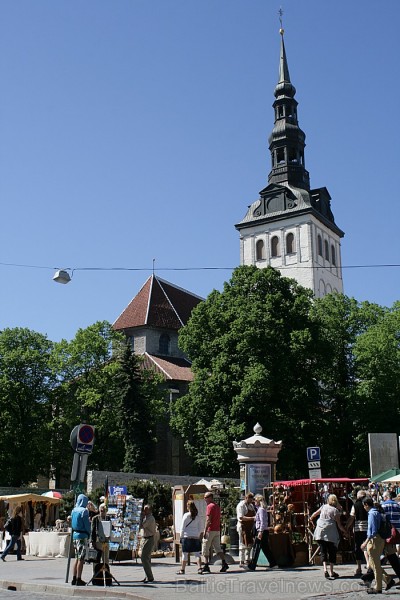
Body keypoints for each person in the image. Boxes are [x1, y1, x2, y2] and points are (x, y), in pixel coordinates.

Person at [360, 496, 394, 594]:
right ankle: (388, 580)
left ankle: (378, 587)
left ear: (366, 505)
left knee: (375, 564)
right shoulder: (377, 512)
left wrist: (365, 542)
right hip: (380, 540)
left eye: (364, 506)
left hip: (374, 540)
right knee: (373, 564)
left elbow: (372, 531)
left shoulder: (372, 513)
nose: (364, 507)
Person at [310, 494, 347, 579]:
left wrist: (311, 518)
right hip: (331, 534)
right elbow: (339, 525)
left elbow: (315, 514)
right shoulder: (335, 511)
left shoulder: (323, 507)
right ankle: (331, 571)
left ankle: (324, 569)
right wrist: (345, 532)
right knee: (332, 551)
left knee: (323, 550)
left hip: (320, 532)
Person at [200, 491, 229, 574]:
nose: (204, 499)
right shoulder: (217, 506)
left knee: (205, 547)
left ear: (210, 498)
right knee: (218, 548)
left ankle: (206, 565)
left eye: (206, 497)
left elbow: (208, 520)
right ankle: (224, 563)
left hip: (210, 529)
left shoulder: (209, 506)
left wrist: (205, 531)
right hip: (217, 530)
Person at [248, 494, 277, 570]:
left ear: (258, 501)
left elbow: (263, 521)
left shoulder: (261, 510)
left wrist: (260, 531)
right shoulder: (261, 510)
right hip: (264, 531)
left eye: (255, 500)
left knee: (256, 548)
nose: (254, 502)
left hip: (261, 531)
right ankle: (273, 563)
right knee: (265, 548)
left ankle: (252, 565)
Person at [346, 489, 370, 576]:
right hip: (368, 528)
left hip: (358, 529)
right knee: (367, 547)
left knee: (358, 547)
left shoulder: (355, 505)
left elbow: (352, 517)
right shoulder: (369, 504)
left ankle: (359, 568)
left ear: (358, 496)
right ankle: (368, 564)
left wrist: (347, 527)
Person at [177, 500, 203, 575]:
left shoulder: (186, 515)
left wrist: (181, 537)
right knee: (197, 554)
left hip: (186, 536)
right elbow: (200, 528)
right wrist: (197, 535)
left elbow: (182, 527)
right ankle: (199, 568)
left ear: (188, 507)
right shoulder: (198, 516)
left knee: (185, 554)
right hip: (195, 537)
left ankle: (182, 570)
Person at [71, 493, 91, 586]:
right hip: (82, 535)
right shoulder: (84, 511)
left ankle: (74, 578)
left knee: (76, 557)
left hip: (75, 535)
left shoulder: (74, 510)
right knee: (81, 558)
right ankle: (79, 578)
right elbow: (87, 525)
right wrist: (89, 533)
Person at [236, 492, 256, 567]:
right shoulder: (241, 505)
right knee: (242, 544)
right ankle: (241, 560)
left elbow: (254, 513)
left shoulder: (251, 505)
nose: (251, 500)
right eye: (250, 499)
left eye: (252, 499)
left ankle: (247, 559)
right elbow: (241, 517)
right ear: (246, 498)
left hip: (250, 527)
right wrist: (252, 518)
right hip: (242, 526)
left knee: (249, 543)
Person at [140, 504, 156, 583]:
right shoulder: (146, 517)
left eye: (145, 509)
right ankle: (147, 575)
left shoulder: (150, 518)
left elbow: (142, 525)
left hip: (149, 538)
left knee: (144, 557)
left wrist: (141, 518)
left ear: (149, 510)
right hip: (144, 538)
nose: (144, 511)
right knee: (147, 558)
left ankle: (150, 577)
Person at [91, 503, 109, 568]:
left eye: (104, 510)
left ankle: (107, 574)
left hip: (105, 541)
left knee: (106, 559)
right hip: (97, 541)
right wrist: (93, 541)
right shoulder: (95, 518)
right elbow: (92, 530)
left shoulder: (108, 518)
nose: (102, 511)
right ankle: (95, 574)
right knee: (96, 559)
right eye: (101, 510)